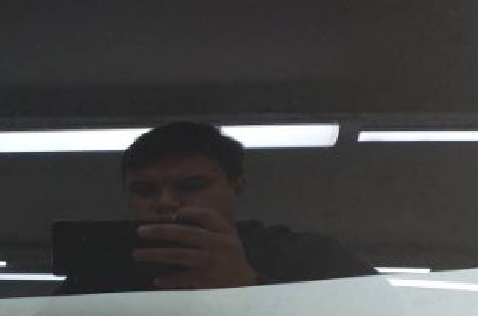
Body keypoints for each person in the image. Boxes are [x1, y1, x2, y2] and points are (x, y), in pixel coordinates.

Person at [65, 120, 375, 292]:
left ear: (236, 187)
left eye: (191, 186)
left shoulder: (312, 259)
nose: (165, 202)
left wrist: (247, 288)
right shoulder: (101, 273)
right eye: (144, 190)